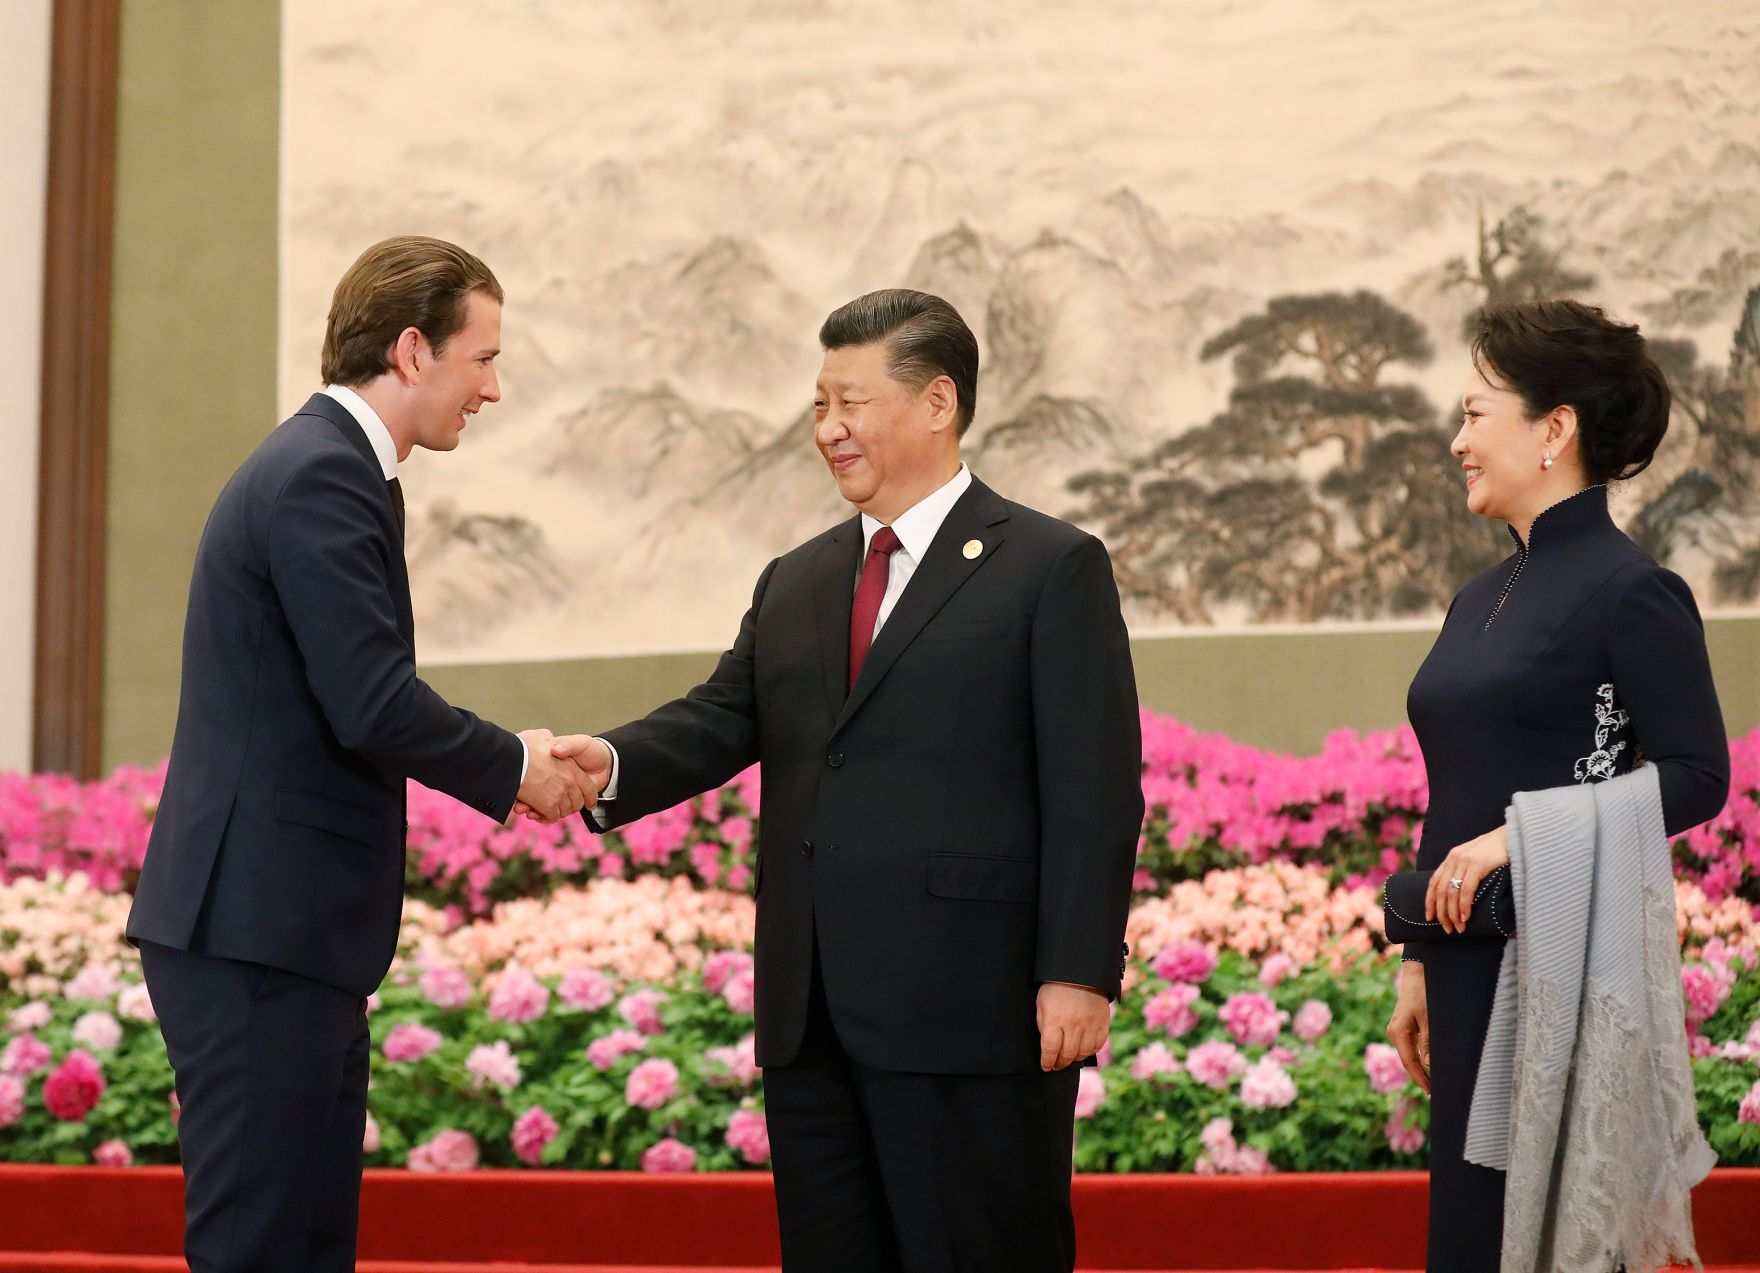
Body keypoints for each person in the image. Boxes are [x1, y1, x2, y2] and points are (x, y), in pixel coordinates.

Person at [545, 289, 1143, 1272]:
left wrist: (1076, 971)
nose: (827, 428)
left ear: (938, 401)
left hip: (970, 1017)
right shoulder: (798, 577)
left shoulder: (1049, 567)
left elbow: (1095, 789)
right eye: (819, 404)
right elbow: (724, 715)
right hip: (811, 1019)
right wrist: (603, 764)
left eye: (850, 403)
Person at [125, 236, 594, 1272]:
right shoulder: (320, 473)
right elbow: (372, 703)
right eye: (483, 359)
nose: (494, 388)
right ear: (414, 350)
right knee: (261, 1247)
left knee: (305, 1245)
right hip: (257, 932)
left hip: (282, 932)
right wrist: (515, 765)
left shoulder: (337, 469)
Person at [1387, 299, 1729, 1272]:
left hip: (1558, 966)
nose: (1457, 441)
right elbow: (1454, 781)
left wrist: (1520, 836)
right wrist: (1415, 958)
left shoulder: (1631, 590)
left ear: (1555, 429)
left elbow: (1697, 776)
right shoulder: (1477, 597)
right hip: (1462, 961)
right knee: (1469, 1236)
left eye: (1474, 414)